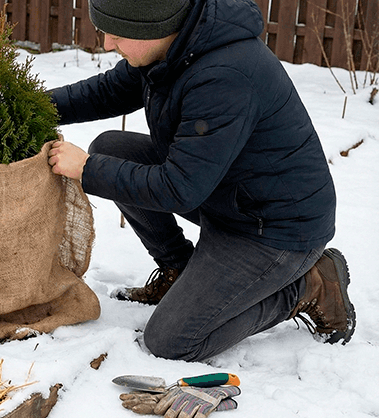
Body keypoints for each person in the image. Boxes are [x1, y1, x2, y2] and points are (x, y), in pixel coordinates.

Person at [46, 0, 356, 361]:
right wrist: (34, 104)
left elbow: (178, 188)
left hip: (274, 229)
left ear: (156, 27)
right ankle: (179, 270)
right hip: (229, 195)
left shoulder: (225, 75)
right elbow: (106, 92)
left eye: (117, 35)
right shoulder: (174, 47)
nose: (108, 45)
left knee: (171, 341)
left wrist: (87, 170)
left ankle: (309, 286)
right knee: (111, 149)